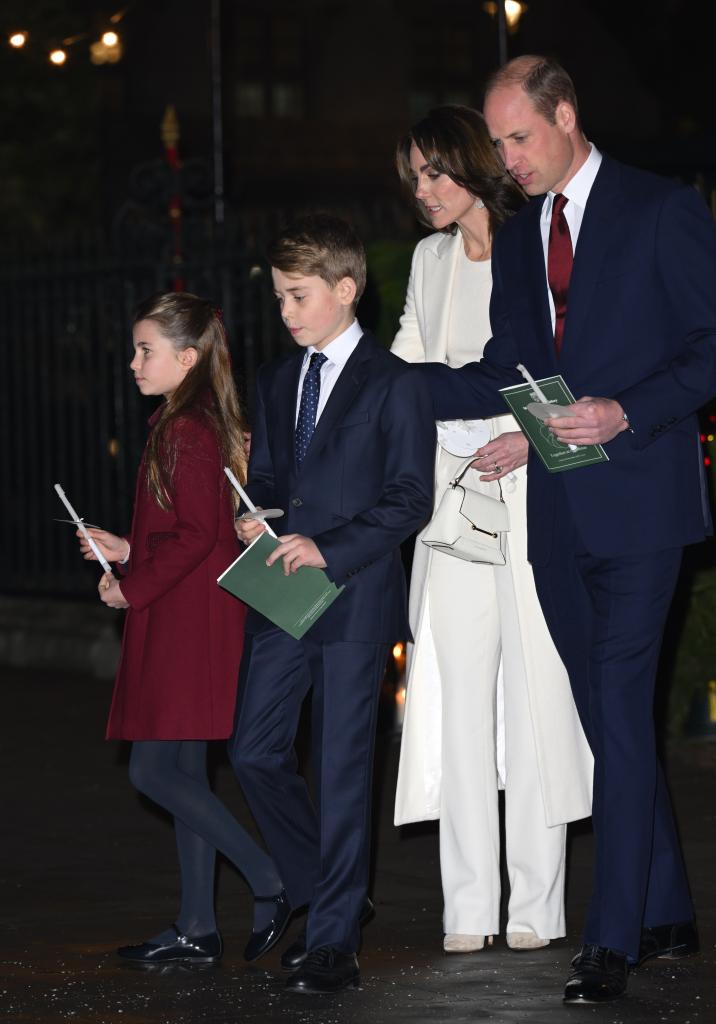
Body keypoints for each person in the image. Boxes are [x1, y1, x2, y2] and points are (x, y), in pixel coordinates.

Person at [415, 55, 712, 1003]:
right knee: (607, 723)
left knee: (619, 714)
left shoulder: (661, 209)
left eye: (518, 138)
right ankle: (667, 905)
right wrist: (383, 391)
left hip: (644, 508)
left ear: (567, 116)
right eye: (497, 143)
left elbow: (710, 348)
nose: (506, 160)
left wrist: (629, 410)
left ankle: (611, 939)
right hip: (559, 511)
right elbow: (504, 364)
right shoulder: (520, 235)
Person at [391, 106, 593, 955]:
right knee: (459, 699)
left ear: (474, 163)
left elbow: (576, 368)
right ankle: (469, 907)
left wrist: (530, 438)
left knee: (536, 699)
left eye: (435, 171)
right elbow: (400, 374)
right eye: (412, 179)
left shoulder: (535, 246)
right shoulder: (427, 260)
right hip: (451, 506)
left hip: (536, 495)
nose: (424, 191)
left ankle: (536, 907)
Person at [229, 214, 435, 994]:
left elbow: (410, 498)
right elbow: (280, 480)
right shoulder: (280, 380)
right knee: (252, 749)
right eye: (279, 296)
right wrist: (260, 511)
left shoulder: (397, 384)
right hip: (284, 590)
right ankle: (325, 892)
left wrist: (332, 545)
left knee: (343, 765)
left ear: (345, 292)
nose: (285, 312)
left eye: (298, 296)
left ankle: (334, 939)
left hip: (355, 594)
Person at [78, 292, 288, 966]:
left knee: (154, 772)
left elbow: (199, 535)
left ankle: (274, 879)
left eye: (147, 350)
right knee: (182, 771)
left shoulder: (186, 430)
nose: (134, 362)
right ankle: (198, 927)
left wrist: (130, 585)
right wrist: (130, 549)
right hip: (193, 610)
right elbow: (198, 533)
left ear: (188, 357)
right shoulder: (187, 423)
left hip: (187, 622)